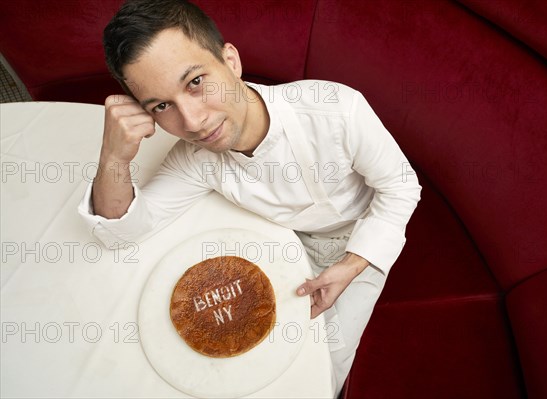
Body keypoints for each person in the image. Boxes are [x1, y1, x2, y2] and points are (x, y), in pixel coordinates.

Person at [78, 0, 421, 395]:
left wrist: (355, 262)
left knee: (322, 365)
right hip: (282, 240)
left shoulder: (336, 109)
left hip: (364, 234)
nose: (192, 121)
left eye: (195, 82)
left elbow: (400, 187)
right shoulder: (195, 157)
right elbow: (119, 232)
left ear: (231, 60)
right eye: (162, 106)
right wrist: (114, 156)